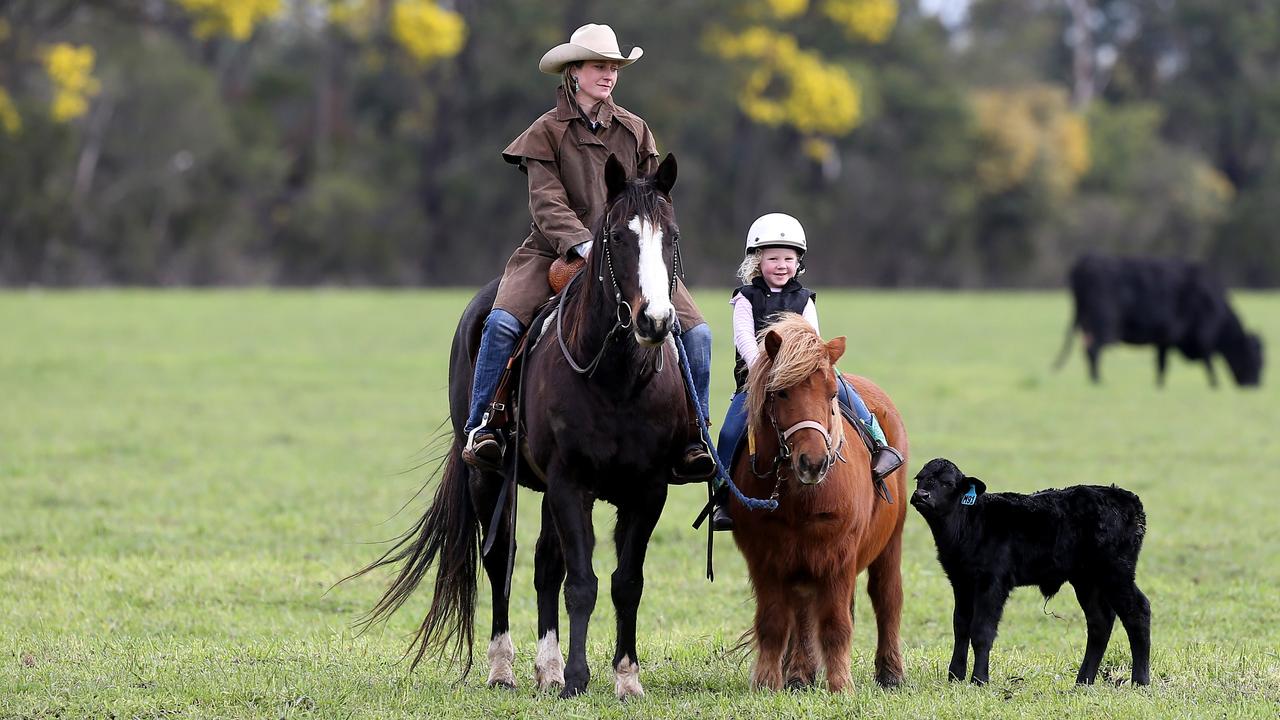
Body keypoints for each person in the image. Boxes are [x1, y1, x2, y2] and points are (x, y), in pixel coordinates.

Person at [461, 24, 715, 479]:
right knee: (500, 323)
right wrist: (583, 243)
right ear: (574, 71)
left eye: (614, 67)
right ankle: (485, 425)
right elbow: (545, 202)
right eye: (600, 66)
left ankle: (694, 436)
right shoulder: (545, 132)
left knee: (699, 336)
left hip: (634, 255)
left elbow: (655, 197)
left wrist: (648, 243)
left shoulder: (635, 130)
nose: (608, 75)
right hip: (553, 251)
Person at [711, 212, 904, 530]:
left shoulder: (804, 299)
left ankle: (880, 444)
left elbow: (813, 338)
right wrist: (766, 366)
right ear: (758, 261)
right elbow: (743, 338)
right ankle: (723, 497)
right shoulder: (745, 299)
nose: (781, 265)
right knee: (730, 431)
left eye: (788, 258)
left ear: (797, 261)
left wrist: (805, 366)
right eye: (773, 258)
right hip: (757, 381)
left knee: (847, 394)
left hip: (805, 377)